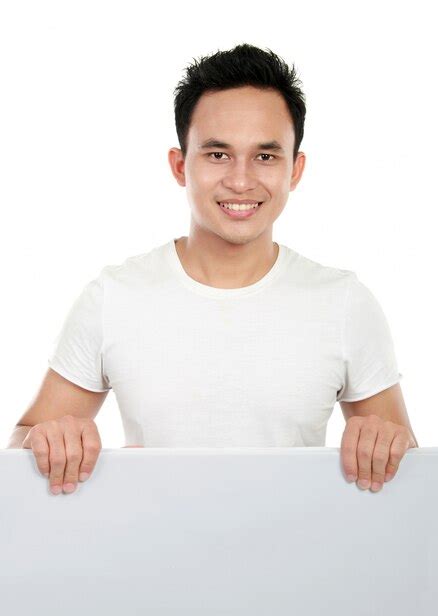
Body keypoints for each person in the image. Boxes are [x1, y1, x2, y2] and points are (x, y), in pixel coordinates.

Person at [7, 43, 418, 496]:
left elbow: (408, 466)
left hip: (300, 561)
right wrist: (45, 439)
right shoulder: (114, 296)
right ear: (180, 165)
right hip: (143, 561)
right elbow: (23, 442)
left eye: (266, 156)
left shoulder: (344, 302)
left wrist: (388, 444)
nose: (241, 181)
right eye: (218, 154)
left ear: (295, 170)